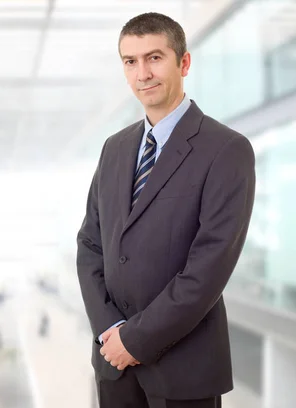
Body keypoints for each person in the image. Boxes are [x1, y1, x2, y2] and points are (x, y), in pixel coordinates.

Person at [76, 12, 256, 408]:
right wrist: (110, 330)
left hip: (183, 371)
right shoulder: (115, 148)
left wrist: (134, 340)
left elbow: (208, 268)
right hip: (114, 366)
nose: (143, 73)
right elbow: (91, 243)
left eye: (154, 57)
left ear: (184, 63)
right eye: (130, 61)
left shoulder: (226, 150)